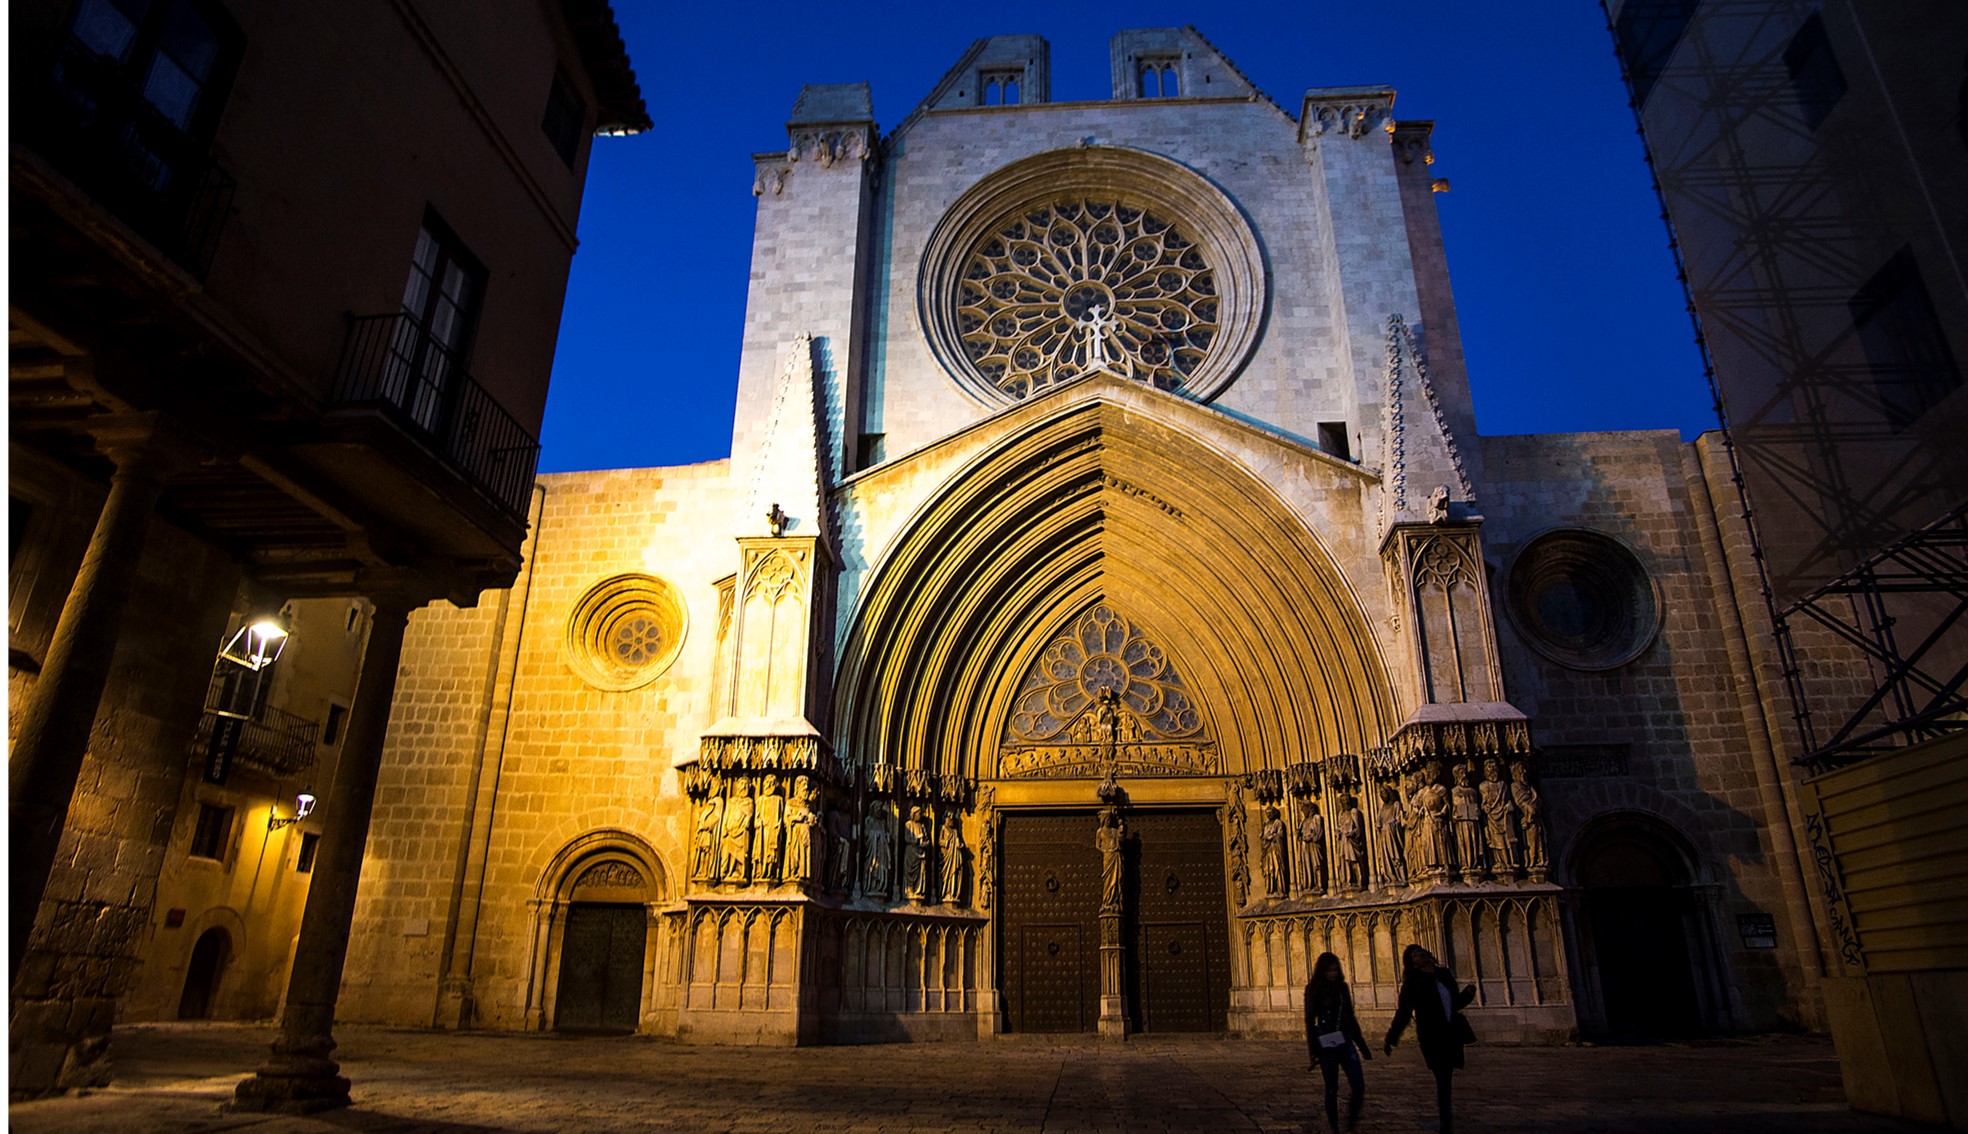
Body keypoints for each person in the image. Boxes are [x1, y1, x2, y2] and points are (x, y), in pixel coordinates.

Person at [1384, 944, 1476, 1134]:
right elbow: (1404, 1012)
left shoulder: (1444, 974)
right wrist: (1391, 1037)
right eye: (1415, 955)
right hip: (1431, 1035)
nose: (1420, 955)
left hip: (1451, 1034)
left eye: (1420, 951)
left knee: (1446, 1077)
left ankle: (1445, 1119)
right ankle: (1445, 1122)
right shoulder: (1413, 982)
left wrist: (1467, 995)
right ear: (1412, 963)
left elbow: (1453, 1003)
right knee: (1442, 1077)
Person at [1304, 951, 1371, 1131]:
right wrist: (1312, 1051)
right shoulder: (1314, 989)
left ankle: (1350, 1123)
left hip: (1345, 1039)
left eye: (1335, 970)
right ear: (1322, 971)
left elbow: (1350, 1016)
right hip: (1326, 1043)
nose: (1333, 974)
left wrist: (1362, 1045)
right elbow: (1310, 1021)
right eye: (1329, 971)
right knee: (1331, 1088)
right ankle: (1335, 1128)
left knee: (1358, 1086)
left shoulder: (1342, 988)